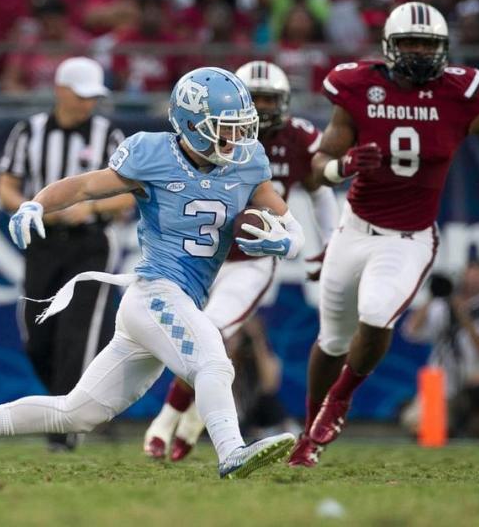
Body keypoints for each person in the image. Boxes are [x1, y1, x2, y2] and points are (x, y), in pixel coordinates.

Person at [0, 67, 304, 480]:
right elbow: (83, 187)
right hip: (156, 292)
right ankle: (231, 452)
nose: (236, 140)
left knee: (76, 412)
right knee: (213, 361)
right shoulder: (154, 155)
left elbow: (291, 227)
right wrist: (36, 204)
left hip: (174, 300)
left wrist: (284, 243)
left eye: (241, 129)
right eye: (224, 129)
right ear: (192, 125)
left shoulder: (247, 163)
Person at [290, 2, 479, 467]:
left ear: (444, 49)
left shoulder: (461, 94)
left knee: (379, 313)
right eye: (411, 43)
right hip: (354, 228)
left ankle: (338, 403)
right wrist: (344, 165)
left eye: (429, 44)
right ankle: (307, 432)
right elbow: (317, 170)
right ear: (389, 47)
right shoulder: (359, 87)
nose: (421, 52)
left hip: (410, 237)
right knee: (332, 341)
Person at [143, 60, 339, 461]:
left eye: (271, 100)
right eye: (256, 99)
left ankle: (166, 420)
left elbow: (318, 190)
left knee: (209, 333)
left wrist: (326, 247)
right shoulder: (208, 137)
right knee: (194, 341)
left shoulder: (297, 137)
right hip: (201, 257)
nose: (264, 108)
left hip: (251, 259)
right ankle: (194, 419)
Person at [0, 56, 130, 451]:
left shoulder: (109, 134)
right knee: (37, 336)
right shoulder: (29, 131)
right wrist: (25, 206)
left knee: (79, 334)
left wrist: (89, 208)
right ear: (61, 90)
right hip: (43, 243)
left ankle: (63, 430)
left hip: (90, 244)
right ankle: (69, 406)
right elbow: (5, 185)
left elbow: (128, 193)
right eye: (82, 96)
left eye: (93, 97)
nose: (88, 104)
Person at [401, 258, 479, 438]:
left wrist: (463, 316)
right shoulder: (442, 307)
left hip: (473, 383)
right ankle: (449, 423)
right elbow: (411, 331)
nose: (472, 281)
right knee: (418, 425)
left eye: (478, 276)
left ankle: (474, 419)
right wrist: (432, 295)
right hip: (443, 384)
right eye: (469, 275)